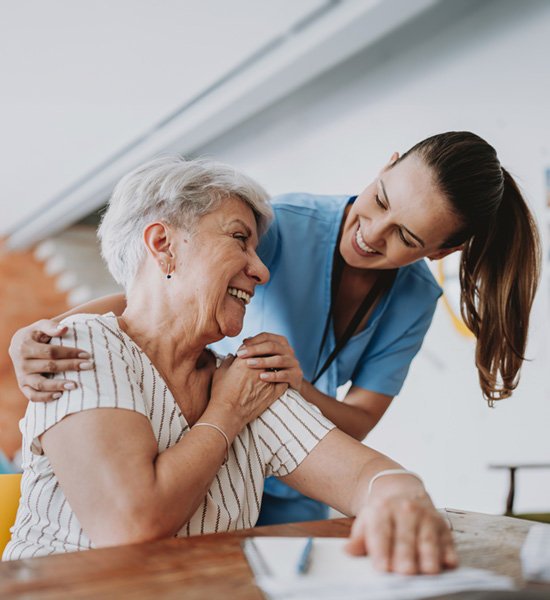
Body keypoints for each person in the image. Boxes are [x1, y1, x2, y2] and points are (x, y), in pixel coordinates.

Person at [9, 132, 541, 525]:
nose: (372, 234)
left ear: (440, 251)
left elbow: (358, 437)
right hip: (222, 449)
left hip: (280, 470)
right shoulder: (280, 225)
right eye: (380, 199)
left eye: (405, 235)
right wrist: (50, 330)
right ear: (387, 165)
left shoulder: (412, 301)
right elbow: (164, 293)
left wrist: (297, 390)